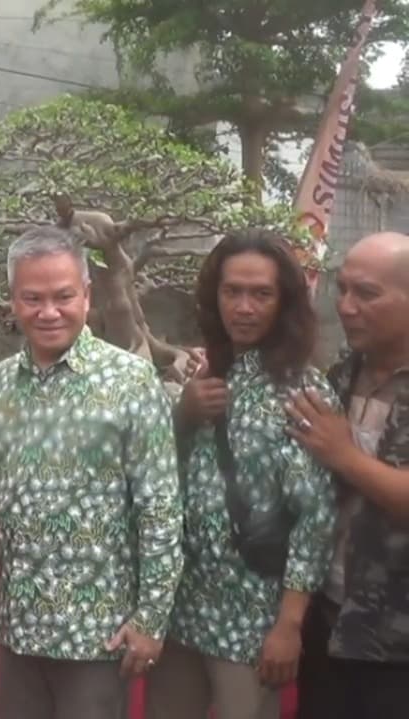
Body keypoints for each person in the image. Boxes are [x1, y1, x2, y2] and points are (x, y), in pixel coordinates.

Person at [0, 226, 183, 719]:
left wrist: (151, 619)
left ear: (87, 295)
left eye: (63, 296)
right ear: (12, 302)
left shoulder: (131, 381)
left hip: (98, 632)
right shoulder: (0, 385)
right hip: (20, 625)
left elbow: (161, 510)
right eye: (33, 298)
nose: (49, 312)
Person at [143, 230, 337, 719]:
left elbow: (314, 517)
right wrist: (183, 416)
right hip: (181, 605)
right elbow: (160, 477)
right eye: (233, 292)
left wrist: (289, 625)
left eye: (261, 294)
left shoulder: (302, 391)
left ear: (285, 302)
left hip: (252, 616)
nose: (244, 307)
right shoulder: (206, 374)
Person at [289, 231, 409, 718]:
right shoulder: (340, 376)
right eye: (342, 289)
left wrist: (345, 454)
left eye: (367, 293)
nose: (346, 306)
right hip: (330, 624)